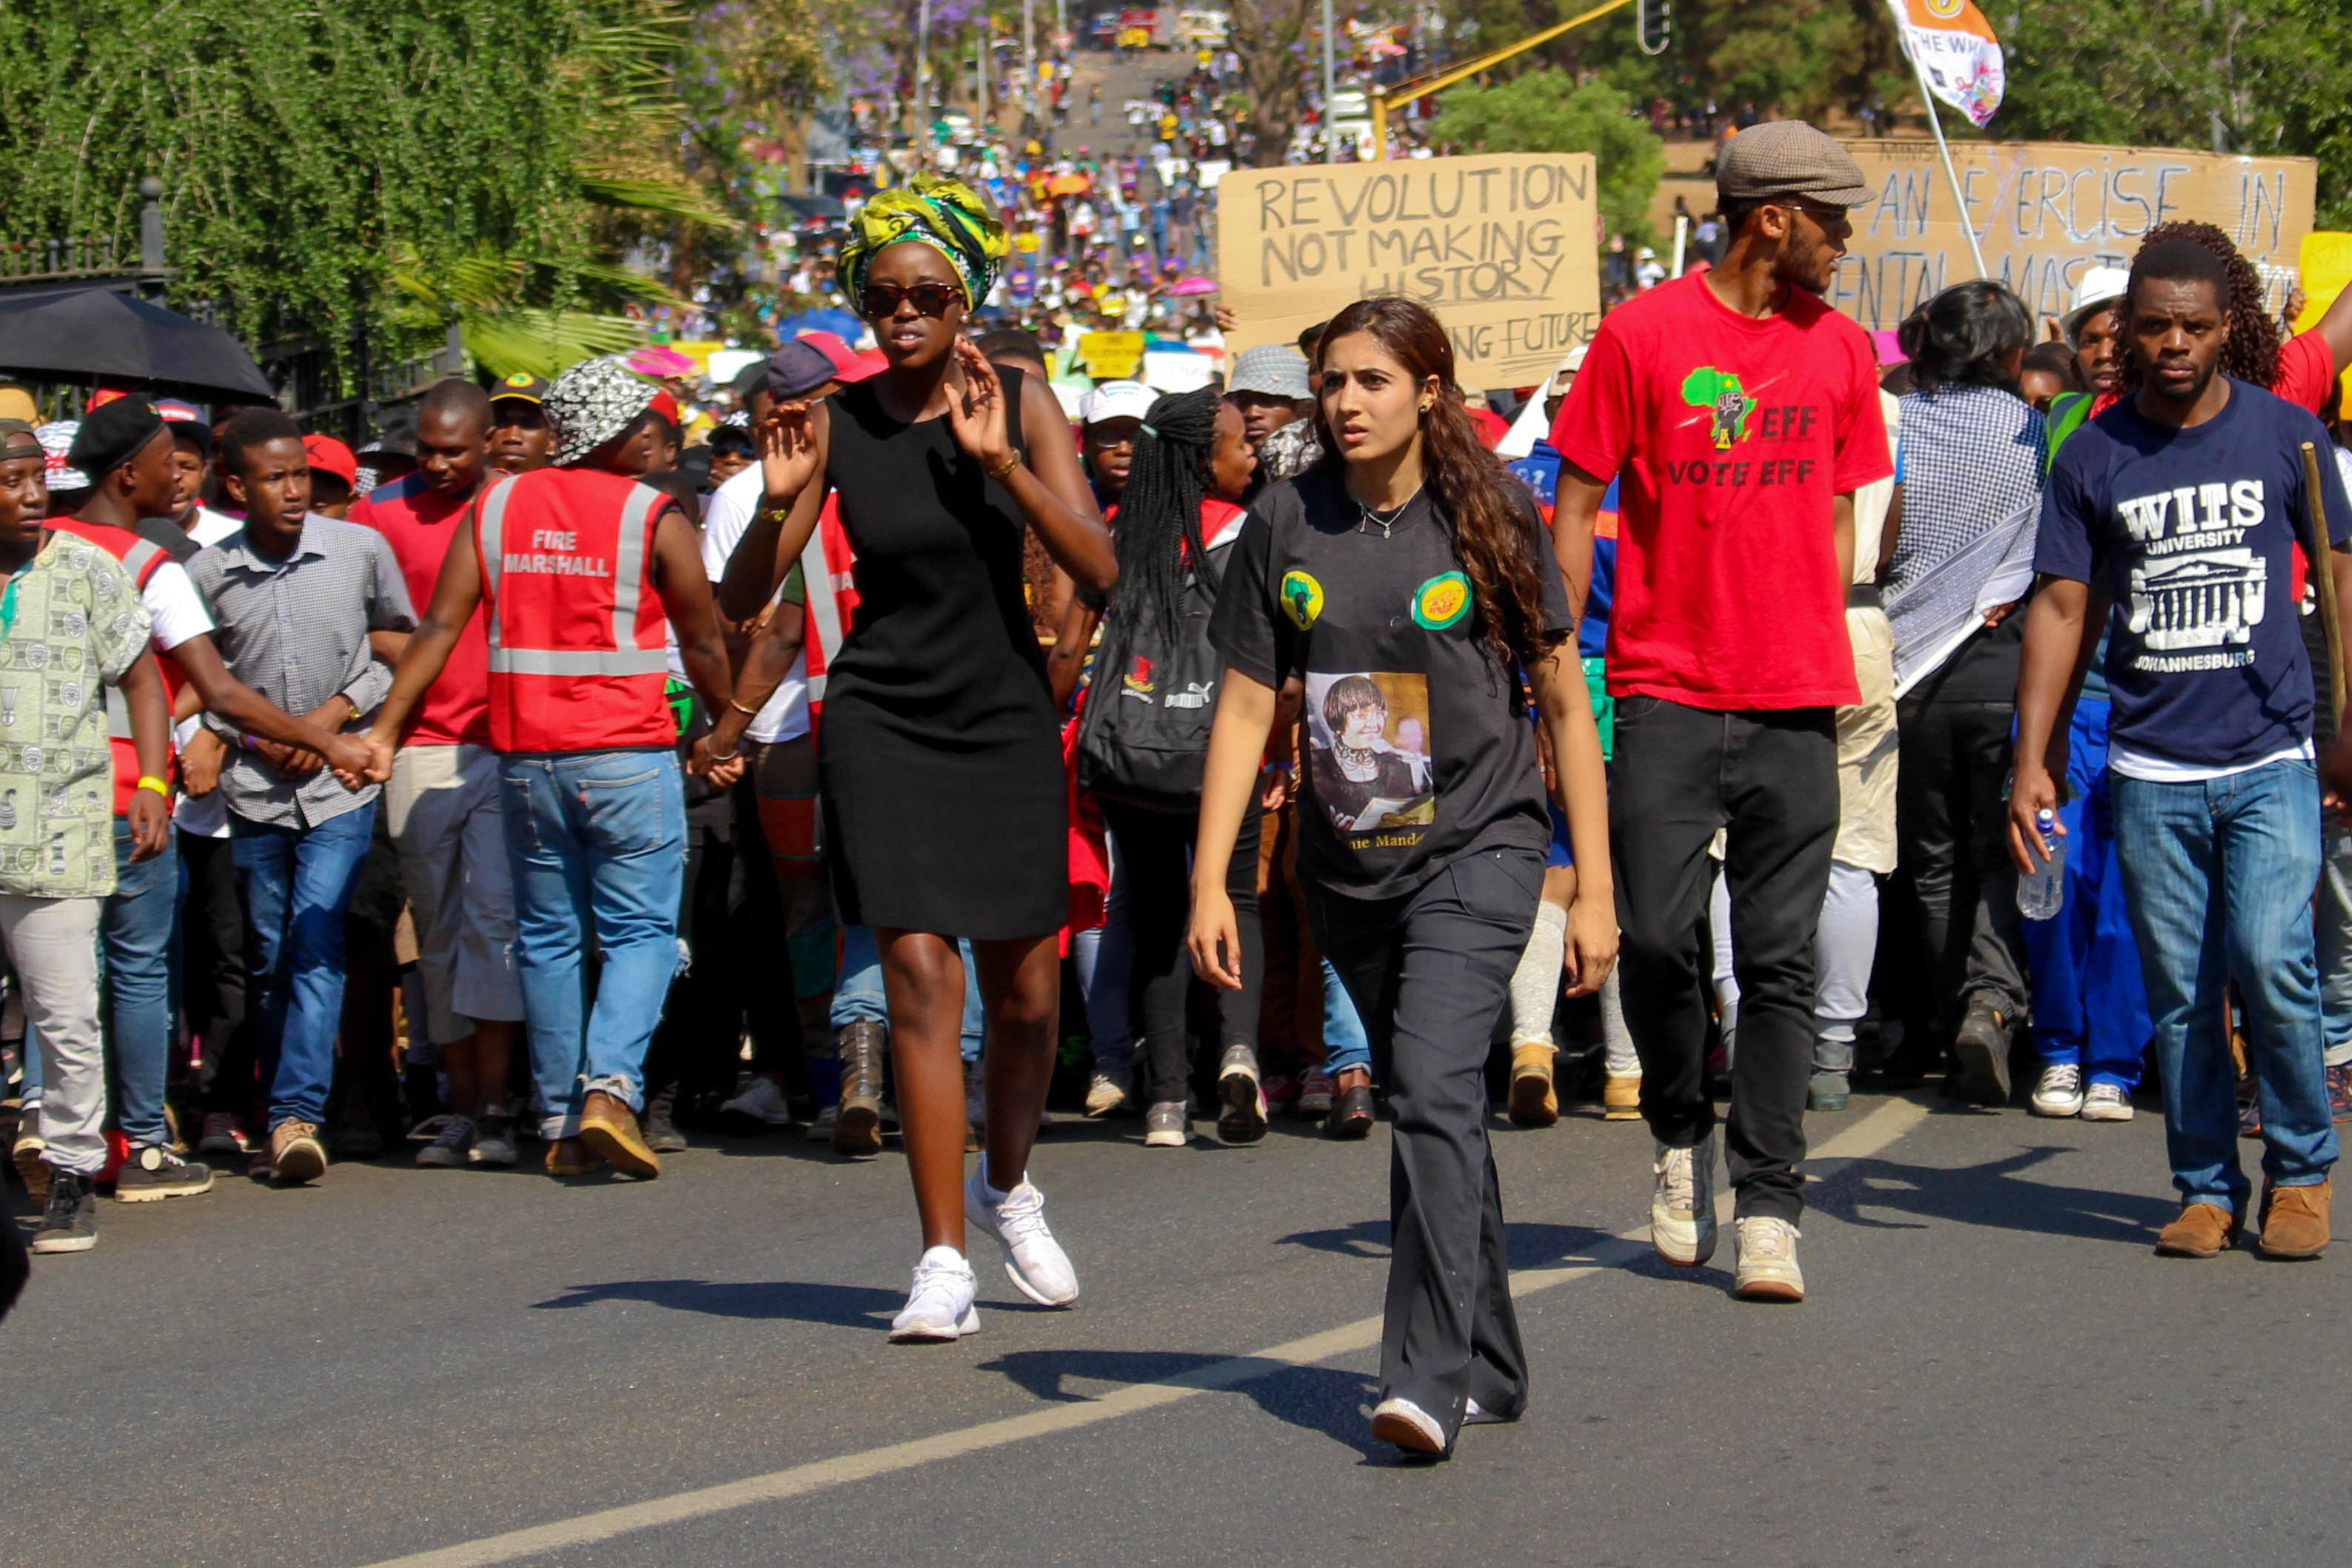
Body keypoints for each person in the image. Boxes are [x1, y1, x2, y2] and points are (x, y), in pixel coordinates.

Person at [1188, 295, 1612, 1457]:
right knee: (1441, 1111)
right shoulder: (1284, 519)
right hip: (1347, 866)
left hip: (1481, 848)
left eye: (1370, 380)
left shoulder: (1493, 516)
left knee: (1425, 1088)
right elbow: (1240, 706)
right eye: (1331, 382)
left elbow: (1566, 707)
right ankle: (1493, 1357)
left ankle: (1421, 1377)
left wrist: (1598, 888)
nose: (1344, 403)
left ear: (1429, 390)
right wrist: (1208, 882)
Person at [718, 174, 1116, 1341]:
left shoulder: (1022, 397)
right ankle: (941, 1253)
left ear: (967, 297)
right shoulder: (835, 421)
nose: (903, 313)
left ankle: (1008, 1186)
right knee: (921, 984)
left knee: (1030, 989)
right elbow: (748, 598)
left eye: (929, 293)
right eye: (883, 294)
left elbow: (1097, 567)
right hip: (882, 719)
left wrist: (1000, 464)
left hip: (1000, 715)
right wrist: (774, 499)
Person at [1548, 120, 1891, 1301]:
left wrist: (1822, 626)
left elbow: (1843, 514)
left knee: (1782, 962)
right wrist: (1559, 642)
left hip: (1797, 693)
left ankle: (1773, 1206)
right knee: (1654, 937)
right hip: (1663, 688)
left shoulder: (1845, 350)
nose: (1846, 241)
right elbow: (1579, 497)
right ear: (1770, 220)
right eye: (1832, 220)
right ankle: (1681, 1134)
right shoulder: (1640, 335)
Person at [2014, 238, 2352, 1260]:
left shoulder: (2288, 436)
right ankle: (2205, 1182)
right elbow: (2066, 604)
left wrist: (2346, 734)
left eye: (2192, 326)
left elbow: (2339, 585)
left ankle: (2299, 1171)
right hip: (2150, 764)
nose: (2170, 343)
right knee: (2180, 990)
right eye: (2152, 325)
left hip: (2269, 755)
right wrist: (2029, 756)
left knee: (2269, 959)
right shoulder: (2092, 454)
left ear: (2224, 326)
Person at [364, 356, 738, 1181]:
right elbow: (705, 640)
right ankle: (610, 1087)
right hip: (629, 757)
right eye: (643, 424)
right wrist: (725, 729)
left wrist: (388, 730)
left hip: (527, 761)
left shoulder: (497, 505)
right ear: (619, 433)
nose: (654, 437)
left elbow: (436, 630)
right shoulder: (653, 513)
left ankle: (563, 1120)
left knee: (548, 939)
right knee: (641, 932)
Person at [189, 409, 414, 1185]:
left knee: (317, 942)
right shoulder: (209, 573)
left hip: (339, 785)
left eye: (302, 478)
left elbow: (395, 654)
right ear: (237, 485)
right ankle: (272, 1100)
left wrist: (331, 720)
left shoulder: (360, 550)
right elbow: (205, 689)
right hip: (255, 791)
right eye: (275, 478)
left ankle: (296, 1116)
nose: (292, 491)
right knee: (267, 952)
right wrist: (253, 738)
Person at [1068, 387, 1264, 1147]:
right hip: (1225, 753)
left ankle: (1167, 1103)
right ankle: (1239, 1057)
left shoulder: (1116, 534)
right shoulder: (1253, 533)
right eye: (1238, 443)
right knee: (1234, 896)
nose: (1251, 455)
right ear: (1201, 457)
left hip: (1133, 758)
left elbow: (1067, 651)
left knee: (1152, 914)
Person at [0, 418, 175, 1253]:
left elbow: (144, 680)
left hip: (59, 831)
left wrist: (150, 781)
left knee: (66, 1014)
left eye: (38, 477)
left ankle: (71, 1173)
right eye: (12, 480)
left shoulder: (86, 570)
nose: (32, 495)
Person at [348, 381, 527, 1170]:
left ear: (488, 441)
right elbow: (364, 624)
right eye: (425, 448)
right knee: (442, 935)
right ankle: (460, 1108)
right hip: (417, 746)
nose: (437, 462)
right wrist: (417, 653)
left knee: (497, 926)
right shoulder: (378, 513)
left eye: (453, 449)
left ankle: (499, 1104)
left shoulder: (521, 506)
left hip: (509, 744)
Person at [1880, 282, 2046, 1105]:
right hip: (2000, 673)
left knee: (1932, 863)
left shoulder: (1893, 426)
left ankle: (1956, 1020)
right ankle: (1992, 1002)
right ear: (2014, 355)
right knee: (1996, 855)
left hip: (1905, 675)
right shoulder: (2034, 436)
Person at [1226, 343, 1313, 453]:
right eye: (1241, 400)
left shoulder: (1326, 467)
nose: (1252, 414)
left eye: (1268, 400)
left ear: (1302, 409)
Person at [486, 372, 555, 475]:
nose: (512, 437)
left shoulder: (569, 488)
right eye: (500, 423)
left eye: (529, 425)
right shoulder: (464, 487)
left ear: (552, 440)